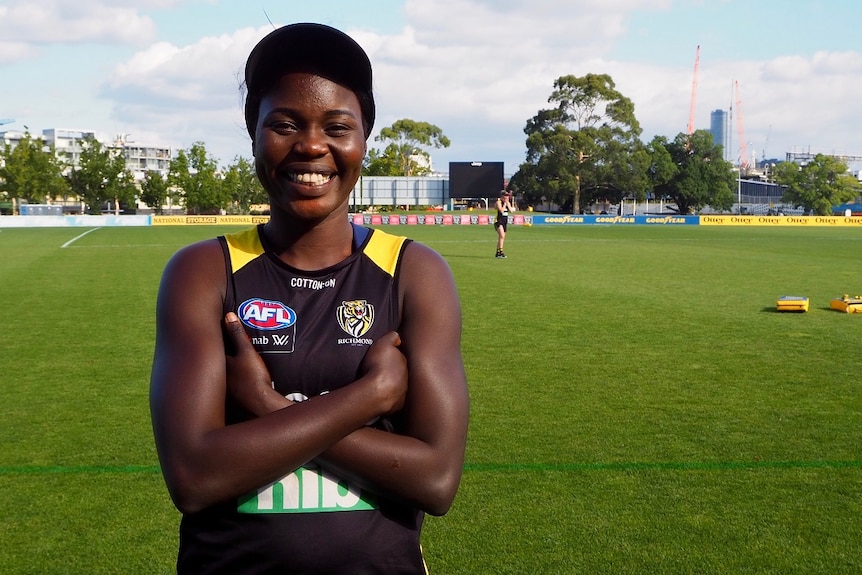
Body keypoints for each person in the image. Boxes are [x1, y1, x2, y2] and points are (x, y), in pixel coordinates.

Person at [149, 23, 469, 574]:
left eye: (337, 126)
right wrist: (367, 399)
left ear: (364, 137)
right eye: (285, 124)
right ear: (253, 131)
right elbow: (197, 478)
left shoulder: (413, 271)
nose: (312, 145)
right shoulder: (204, 271)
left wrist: (271, 408)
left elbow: (436, 482)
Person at [494, 190, 516, 258]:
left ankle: (498, 252)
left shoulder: (507, 202)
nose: (507, 198)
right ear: (502, 197)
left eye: (507, 197)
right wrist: (505, 204)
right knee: (502, 236)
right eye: (505, 197)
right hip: (498, 221)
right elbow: (501, 210)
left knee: (502, 237)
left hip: (504, 222)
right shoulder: (498, 202)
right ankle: (501, 252)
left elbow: (511, 211)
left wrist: (511, 207)